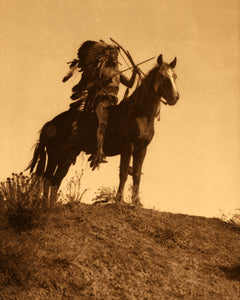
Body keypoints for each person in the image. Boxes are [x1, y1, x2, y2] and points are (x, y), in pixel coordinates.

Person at [63, 40, 138, 169]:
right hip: (101, 102)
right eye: (112, 55)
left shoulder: (118, 73)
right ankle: (99, 150)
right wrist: (103, 81)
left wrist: (135, 73)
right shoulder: (101, 71)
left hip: (114, 104)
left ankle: (126, 157)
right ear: (108, 56)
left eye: (116, 55)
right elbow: (89, 85)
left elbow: (130, 84)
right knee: (103, 123)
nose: (115, 57)